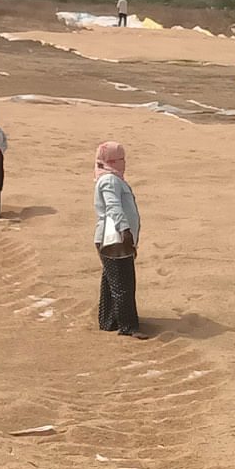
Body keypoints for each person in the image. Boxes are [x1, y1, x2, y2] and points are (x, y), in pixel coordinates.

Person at [93, 142, 142, 336]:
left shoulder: (111, 179)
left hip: (112, 239)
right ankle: (128, 327)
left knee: (112, 280)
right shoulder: (110, 181)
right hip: (114, 240)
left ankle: (109, 320)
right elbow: (113, 207)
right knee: (123, 283)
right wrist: (125, 230)